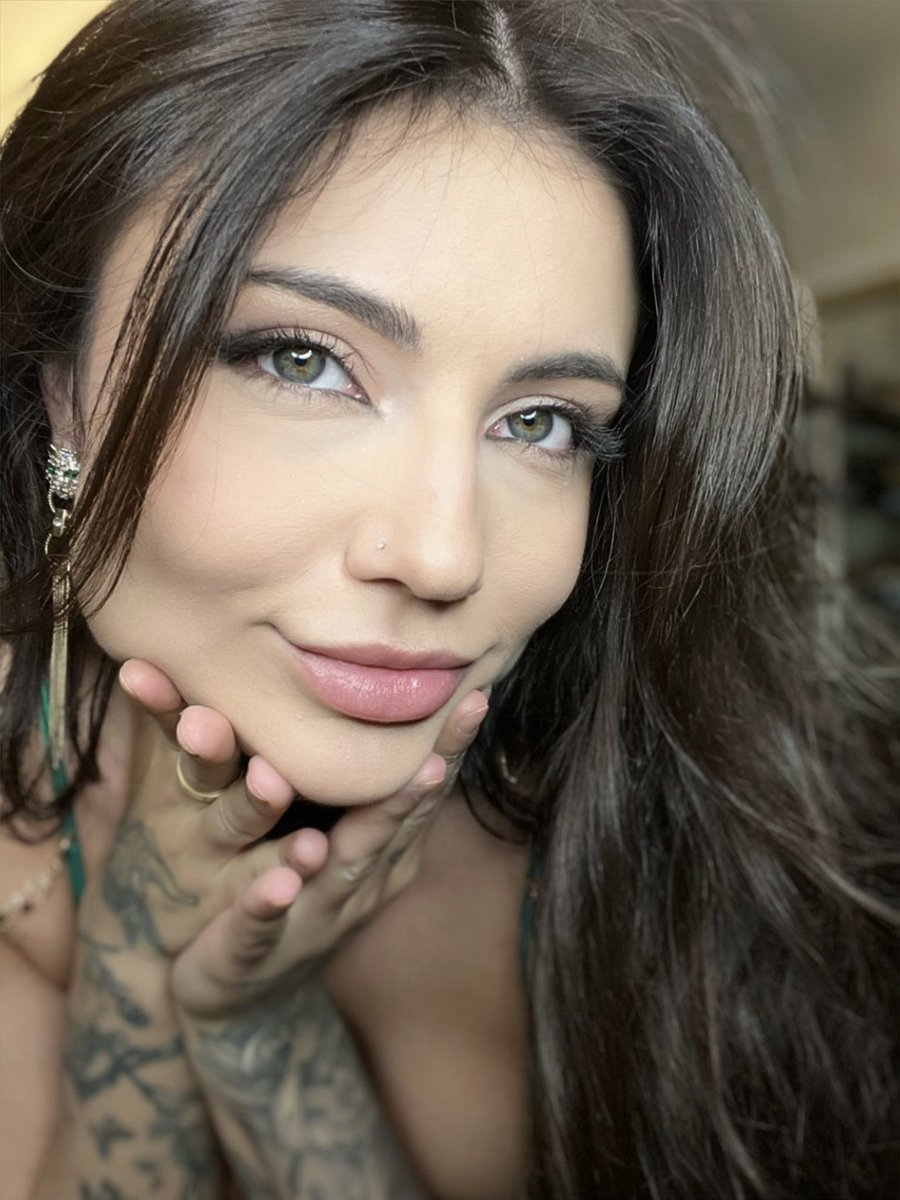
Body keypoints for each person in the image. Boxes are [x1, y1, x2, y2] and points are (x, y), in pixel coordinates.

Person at [1, 1, 896, 1197]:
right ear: (63, 388)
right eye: (303, 360)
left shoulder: (702, 844)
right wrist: (132, 954)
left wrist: (256, 1027)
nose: (442, 556)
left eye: (543, 424)